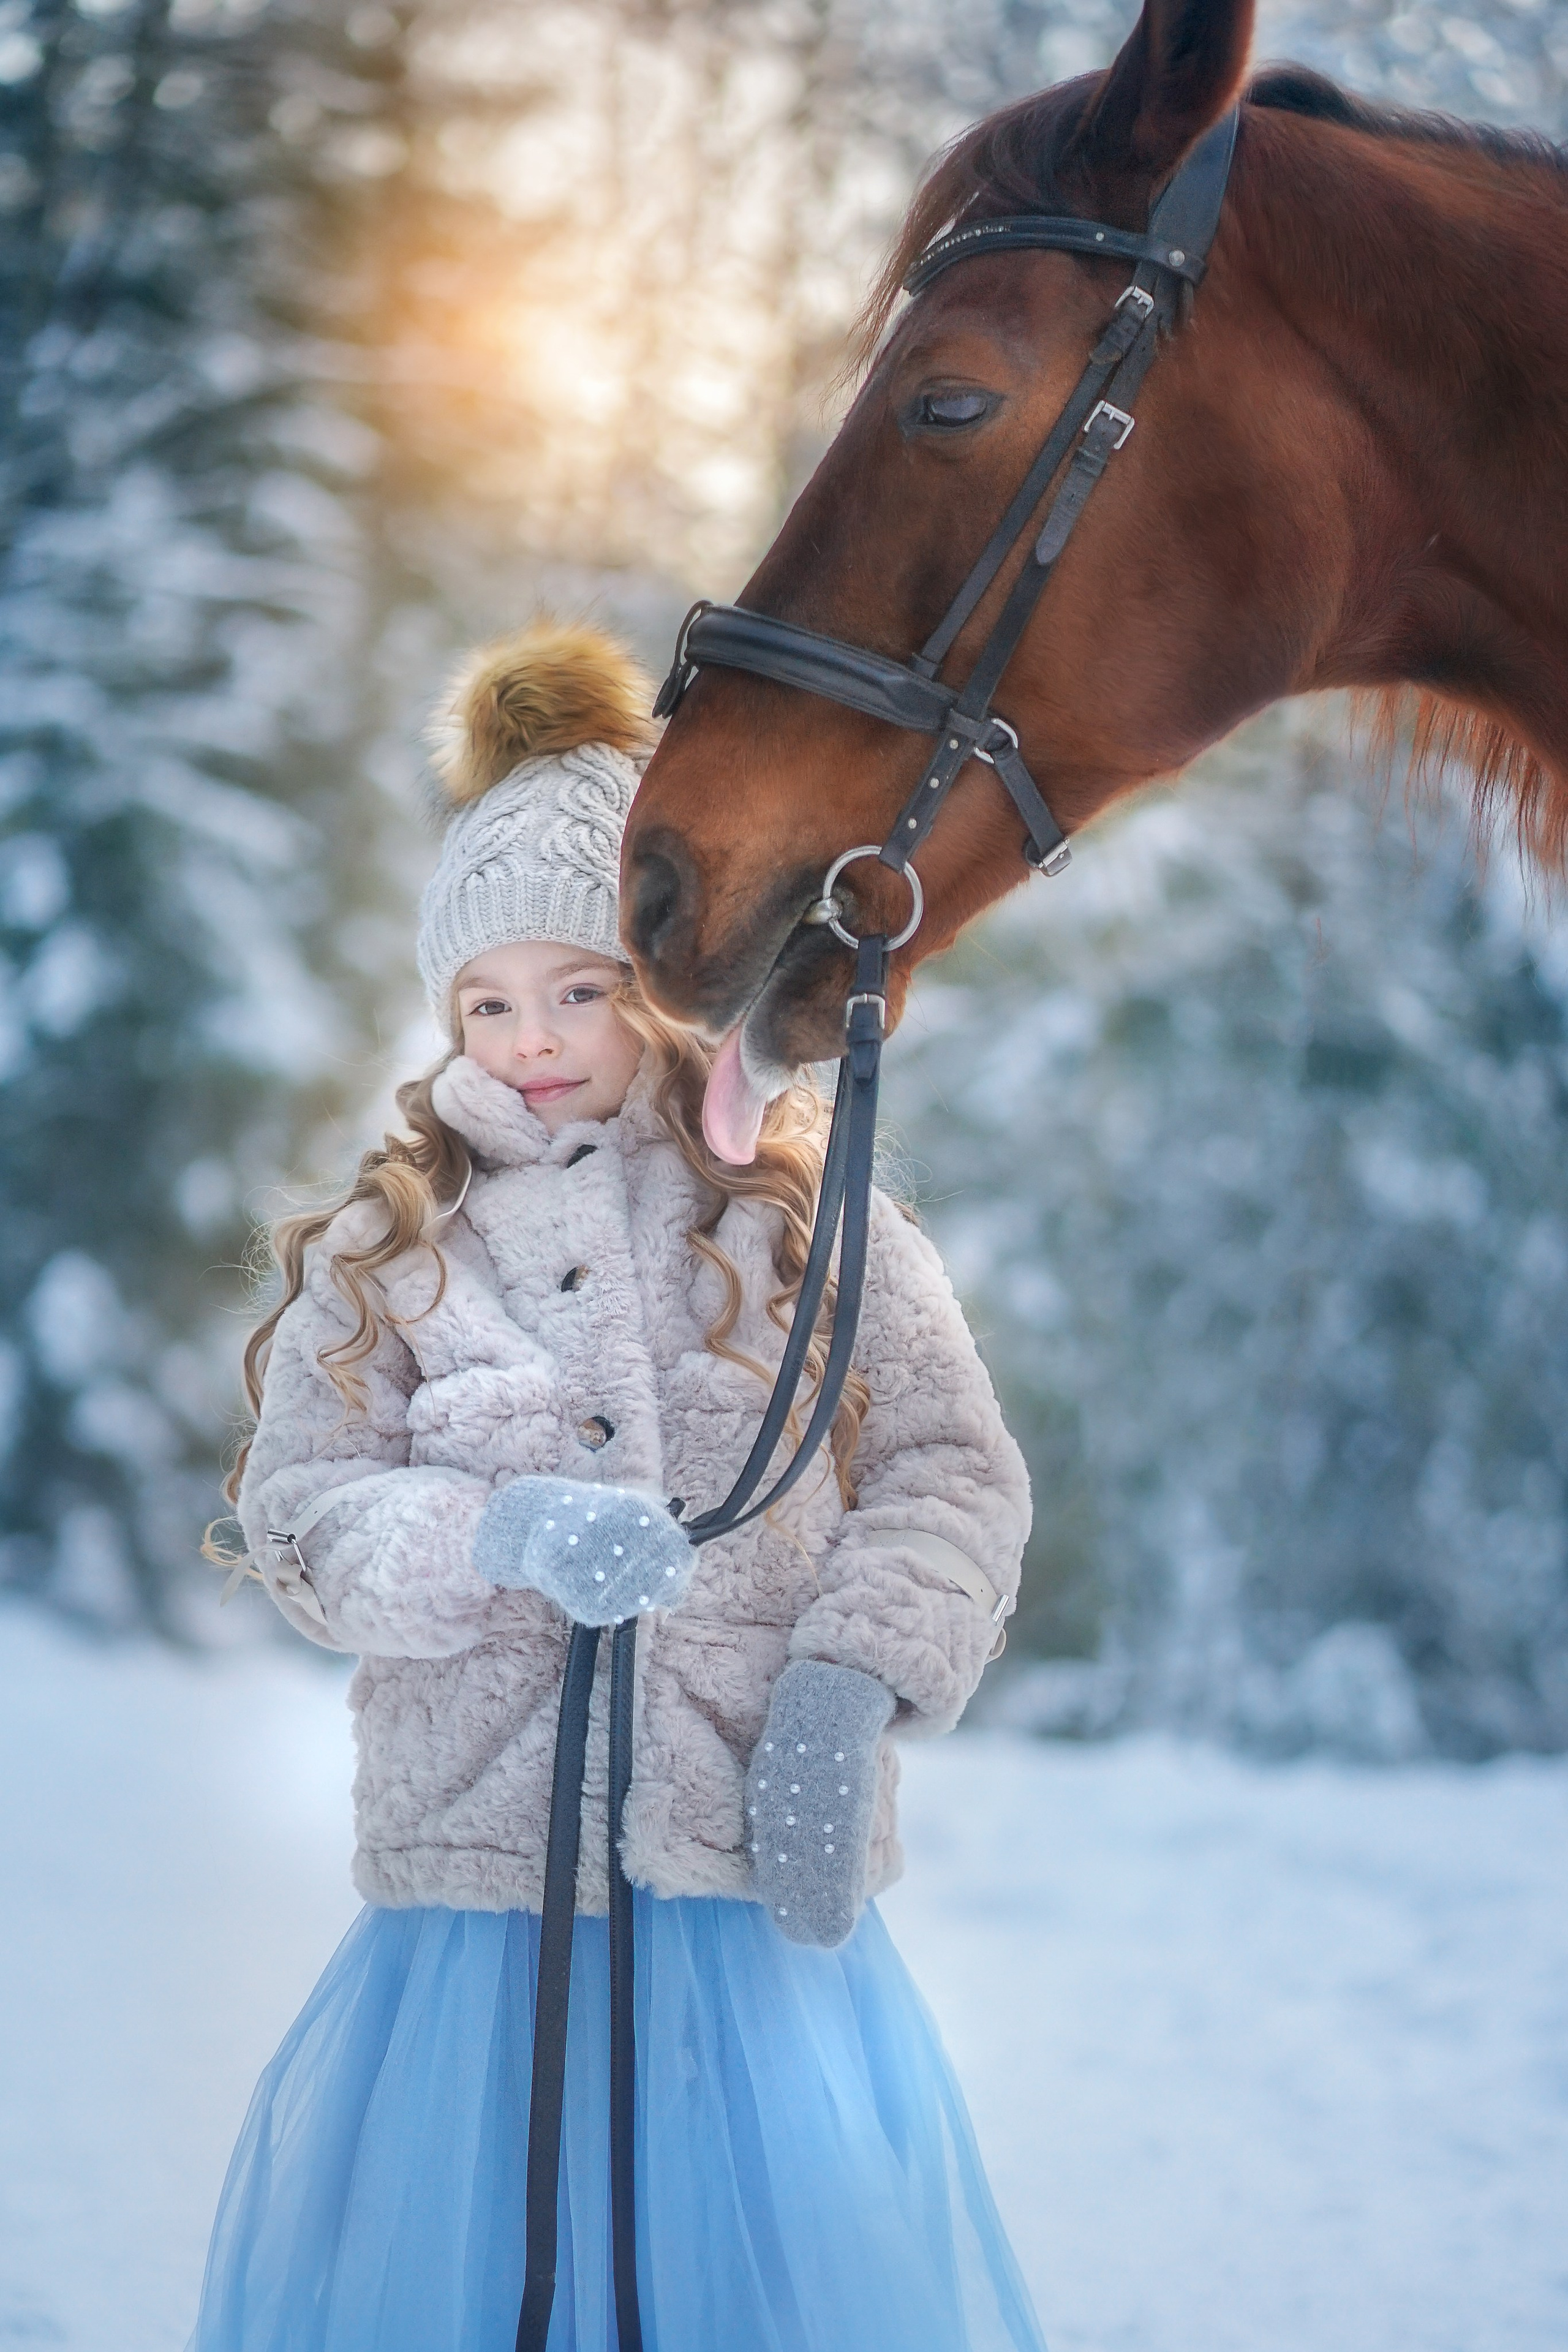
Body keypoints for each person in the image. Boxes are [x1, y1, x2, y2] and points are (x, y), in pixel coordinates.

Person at [190, 619, 1047, 2352]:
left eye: (577, 988)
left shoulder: (811, 1218)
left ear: (661, 982)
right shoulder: (396, 1250)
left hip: (747, 1877)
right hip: (484, 1917)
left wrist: (850, 1682)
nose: (532, 1037)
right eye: (487, 1001)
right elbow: (303, 1514)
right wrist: (494, 1534)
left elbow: (952, 1472)